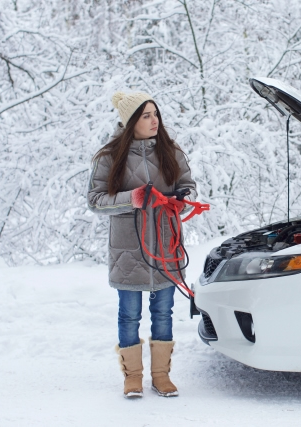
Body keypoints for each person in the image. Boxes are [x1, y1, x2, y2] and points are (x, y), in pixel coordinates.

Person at [87, 91, 197, 398]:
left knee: (164, 312)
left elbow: (187, 186)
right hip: (128, 250)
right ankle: (132, 377)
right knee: (129, 315)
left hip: (166, 244)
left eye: (155, 114)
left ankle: (161, 376)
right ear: (130, 121)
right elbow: (95, 201)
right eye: (146, 115)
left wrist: (181, 200)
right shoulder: (109, 157)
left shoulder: (171, 151)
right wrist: (132, 198)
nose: (154, 121)